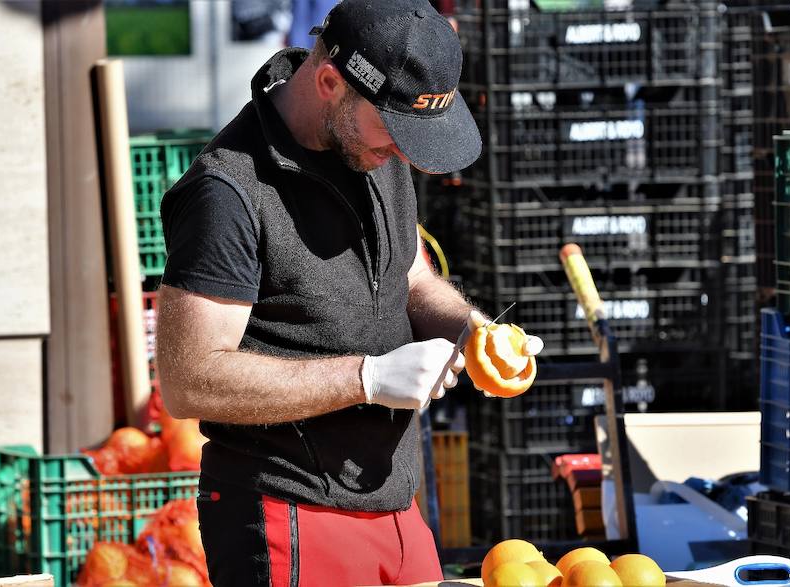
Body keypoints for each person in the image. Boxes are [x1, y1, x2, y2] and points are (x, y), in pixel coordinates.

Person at [156, 0, 543, 585]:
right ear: (331, 81)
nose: (406, 154)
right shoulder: (227, 192)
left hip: (395, 497)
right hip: (284, 507)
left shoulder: (369, 139)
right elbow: (188, 380)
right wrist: (366, 380)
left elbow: (408, 272)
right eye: (397, 132)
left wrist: (472, 331)